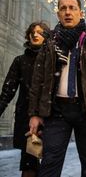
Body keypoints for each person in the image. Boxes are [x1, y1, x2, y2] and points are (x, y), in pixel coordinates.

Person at [28, 0, 86, 177]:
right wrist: (35, 114)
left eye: (72, 8)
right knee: (50, 162)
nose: (68, 12)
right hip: (56, 111)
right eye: (63, 8)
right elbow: (38, 80)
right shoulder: (50, 42)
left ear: (81, 13)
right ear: (58, 13)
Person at [0, 21, 49, 177]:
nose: (35, 34)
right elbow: (8, 89)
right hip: (27, 117)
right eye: (32, 32)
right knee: (29, 160)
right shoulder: (20, 60)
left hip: (50, 116)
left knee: (50, 161)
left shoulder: (53, 60)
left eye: (40, 32)